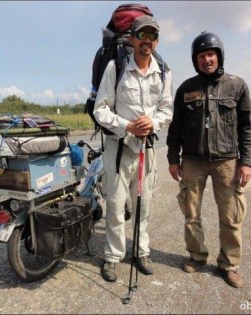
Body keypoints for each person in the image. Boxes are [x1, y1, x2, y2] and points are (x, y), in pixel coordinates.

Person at [166, 31, 251, 288]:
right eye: (202, 55)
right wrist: (174, 158)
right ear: (196, 60)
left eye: (211, 54)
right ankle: (197, 256)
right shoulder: (186, 88)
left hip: (227, 162)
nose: (207, 59)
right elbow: (176, 128)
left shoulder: (237, 86)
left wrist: (246, 162)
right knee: (190, 212)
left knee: (230, 216)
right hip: (192, 161)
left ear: (219, 56)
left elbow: (247, 128)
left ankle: (229, 264)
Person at [93, 15, 173, 282]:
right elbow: (100, 109)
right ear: (132, 39)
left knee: (144, 204)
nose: (146, 41)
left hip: (146, 149)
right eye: (142, 35)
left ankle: (140, 252)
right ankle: (113, 257)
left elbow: (167, 110)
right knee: (116, 205)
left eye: (152, 36)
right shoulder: (115, 68)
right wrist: (127, 126)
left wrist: (153, 122)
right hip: (118, 147)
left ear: (156, 41)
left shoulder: (163, 71)